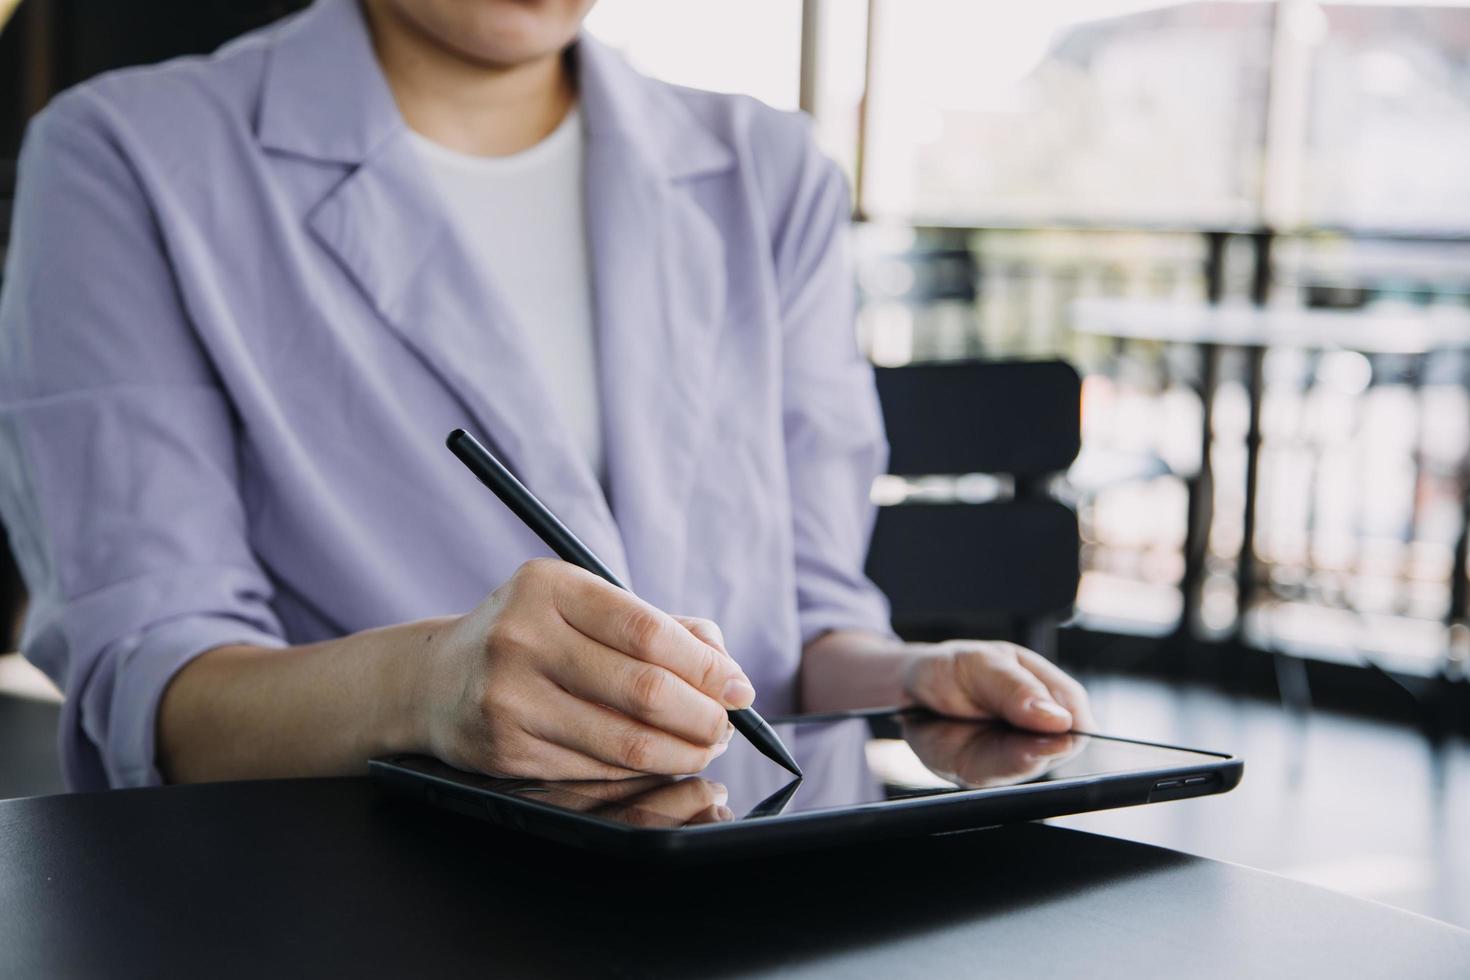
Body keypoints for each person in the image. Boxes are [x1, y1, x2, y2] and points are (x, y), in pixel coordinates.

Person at [0, 0, 1092, 792]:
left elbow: (804, 625)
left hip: (749, 891)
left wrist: (912, 678)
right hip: (354, 903)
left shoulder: (769, 168)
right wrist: (426, 689)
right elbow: (154, 687)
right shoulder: (125, 156)